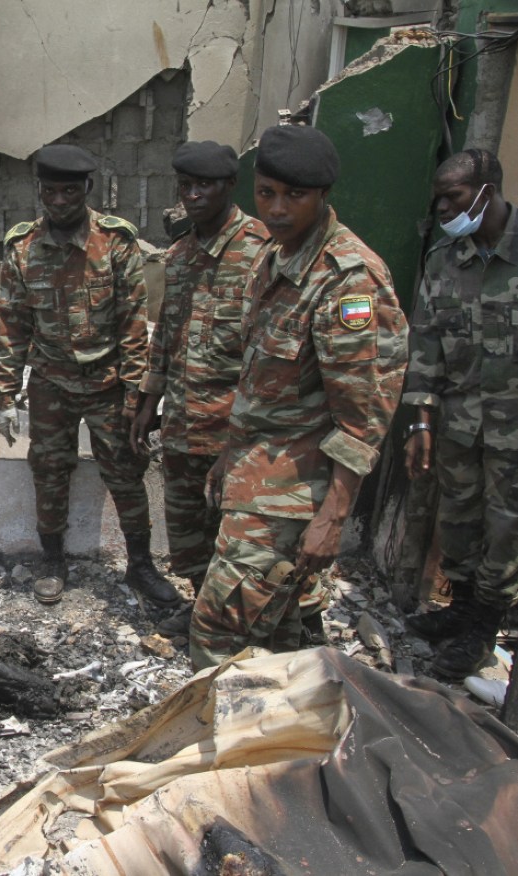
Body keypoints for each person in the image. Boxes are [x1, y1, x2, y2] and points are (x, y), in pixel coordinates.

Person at [189, 125, 408, 670]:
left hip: (298, 488)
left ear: (322, 196)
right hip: (257, 470)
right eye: (267, 194)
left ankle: (225, 738)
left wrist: (332, 517)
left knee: (218, 628)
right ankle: (284, 740)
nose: (278, 209)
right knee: (278, 630)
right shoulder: (276, 257)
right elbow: (261, 377)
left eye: (295, 196)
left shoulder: (345, 281)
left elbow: (363, 418)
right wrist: (228, 455)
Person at [0, 143, 181, 608]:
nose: (60, 202)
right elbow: (12, 324)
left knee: (126, 472)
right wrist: (4, 392)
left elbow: (135, 324)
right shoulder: (22, 249)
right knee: (49, 470)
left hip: (107, 384)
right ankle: (53, 561)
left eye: (69, 192)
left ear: (87, 189)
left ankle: (140, 565)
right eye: (51, 192)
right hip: (51, 382)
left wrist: (138, 393)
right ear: (40, 191)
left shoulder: (116, 243)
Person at [130, 141, 276, 636]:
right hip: (182, 421)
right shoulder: (182, 254)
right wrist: (148, 402)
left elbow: (270, 355)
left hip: (236, 429)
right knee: (187, 532)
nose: (193, 195)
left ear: (229, 187)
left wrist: (243, 435)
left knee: (234, 537)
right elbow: (166, 334)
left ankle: (235, 624)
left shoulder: (262, 252)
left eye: (204, 186)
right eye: (185, 186)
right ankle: (201, 607)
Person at [403, 148, 518, 679]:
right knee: (460, 522)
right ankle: (463, 608)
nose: (445, 207)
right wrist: (422, 420)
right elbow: (424, 344)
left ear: (487, 191)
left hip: (513, 432)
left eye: (453, 196)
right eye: (439, 197)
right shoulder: (443, 261)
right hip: (459, 426)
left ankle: (481, 629)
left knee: (506, 531)